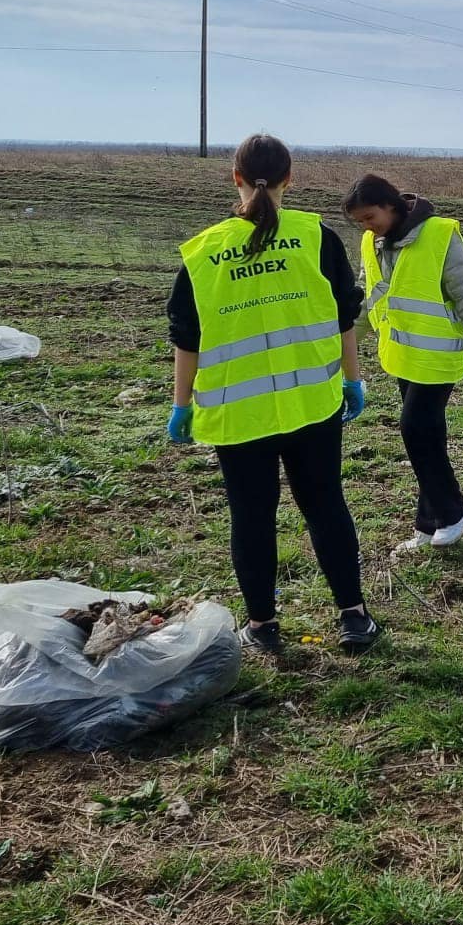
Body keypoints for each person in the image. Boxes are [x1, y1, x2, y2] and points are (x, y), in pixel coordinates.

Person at [165, 133, 379, 655]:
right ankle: (354, 618)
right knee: (326, 505)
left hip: (238, 414)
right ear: (291, 178)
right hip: (312, 403)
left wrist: (181, 405)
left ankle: (262, 627)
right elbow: (343, 316)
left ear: (235, 177)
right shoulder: (316, 236)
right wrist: (352, 379)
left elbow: (186, 338)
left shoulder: (204, 251)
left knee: (252, 516)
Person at [344, 173, 463, 553]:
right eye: (360, 222)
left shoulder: (438, 235)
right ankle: (428, 520)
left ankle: (453, 512)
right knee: (427, 438)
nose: (367, 227)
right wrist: (343, 345)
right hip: (402, 355)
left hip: (437, 357)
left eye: (370, 217)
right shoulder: (374, 242)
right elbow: (372, 300)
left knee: (415, 431)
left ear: (391, 205)